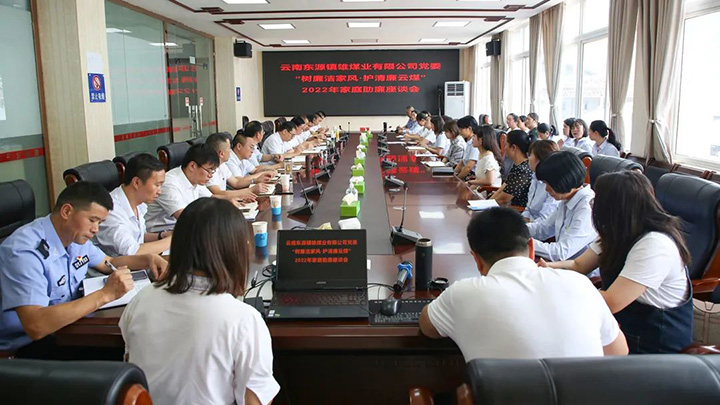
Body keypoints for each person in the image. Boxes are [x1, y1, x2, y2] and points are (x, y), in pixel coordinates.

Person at [120, 198, 279, 404]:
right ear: (237, 249)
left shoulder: (140, 300)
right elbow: (255, 400)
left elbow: (130, 367)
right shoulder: (243, 320)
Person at [418, 207, 627, 361]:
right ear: (531, 247)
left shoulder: (463, 294)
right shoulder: (581, 284)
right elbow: (619, 351)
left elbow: (428, 327)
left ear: (477, 260)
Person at [0, 181, 167, 357]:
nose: (96, 229)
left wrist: (147, 259)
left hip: (66, 328)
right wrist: (105, 294)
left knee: (138, 340)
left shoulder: (74, 235)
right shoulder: (25, 252)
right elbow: (36, 325)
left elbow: (108, 262)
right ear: (66, 211)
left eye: (100, 222)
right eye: (92, 220)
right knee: (129, 351)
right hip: (24, 347)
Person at [541, 171, 693, 353]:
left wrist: (558, 289)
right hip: (621, 332)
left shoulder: (654, 245)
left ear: (613, 207)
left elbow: (611, 302)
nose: (593, 206)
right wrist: (545, 269)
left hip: (653, 348)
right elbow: (578, 265)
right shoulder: (617, 232)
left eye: (596, 202)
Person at [145, 144, 239, 233]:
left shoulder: (195, 179)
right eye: (209, 170)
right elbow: (185, 218)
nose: (210, 176)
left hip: (184, 230)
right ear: (192, 166)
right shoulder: (169, 183)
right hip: (163, 235)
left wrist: (228, 202)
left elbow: (211, 198)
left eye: (212, 171)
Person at [94, 153, 172, 257]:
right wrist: (172, 240)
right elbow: (133, 252)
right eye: (157, 185)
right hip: (118, 265)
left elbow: (138, 237)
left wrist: (161, 236)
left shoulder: (139, 202)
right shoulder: (111, 210)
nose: (160, 191)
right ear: (136, 182)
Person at [528, 151, 596, 261]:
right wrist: (514, 229)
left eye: (549, 184)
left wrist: (525, 242)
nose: (546, 189)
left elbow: (561, 252)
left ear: (563, 181)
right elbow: (543, 228)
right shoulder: (567, 199)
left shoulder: (587, 208)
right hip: (560, 264)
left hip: (575, 269)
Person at [205, 132, 265, 201]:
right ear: (221, 154)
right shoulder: (208, 170)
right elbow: (219, 193)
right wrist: (251, 190)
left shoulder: (222, 165)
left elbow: (236, 182)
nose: (231, 151)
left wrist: (255, 181)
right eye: (229, 149)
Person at [490, 130, 533, 207]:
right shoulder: (517, 166)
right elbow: (501, 189)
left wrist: (484, 207)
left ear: (513, 147)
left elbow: (503, 199)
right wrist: (486, 203)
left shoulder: (522, 170)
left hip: (517, 211)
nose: (504, 148)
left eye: (506, 145)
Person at [522, 140, 560, 222]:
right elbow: (528, 209)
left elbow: (545, 220)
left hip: (541, 226)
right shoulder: (534, 177)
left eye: (530, 155)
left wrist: (525, 227)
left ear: (540, 159)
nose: (528, 158)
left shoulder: (553, 184)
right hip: (531, 224)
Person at [453, 116, 480, 180]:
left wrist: (457, 179)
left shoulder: (475, 144)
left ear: (469, 129)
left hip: (473, 176)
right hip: (467, 173)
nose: (459, 132)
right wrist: (454, 173)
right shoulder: (468, 142)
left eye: (461, 129)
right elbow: (462, 161)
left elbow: (469, 167)